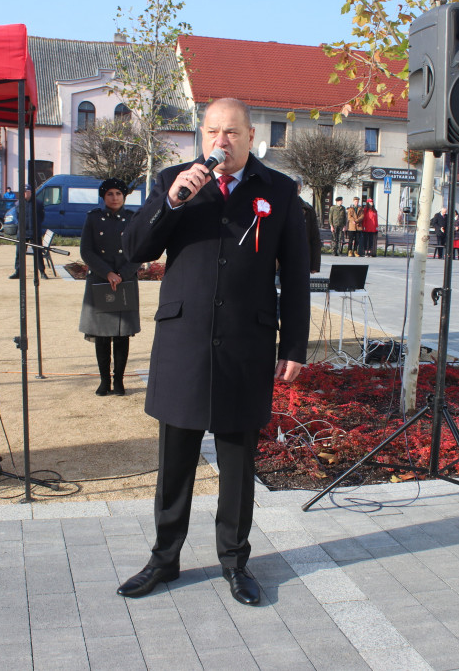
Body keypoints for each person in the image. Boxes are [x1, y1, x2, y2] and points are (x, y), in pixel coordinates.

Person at [118, 98, 310, 606]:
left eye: (231, 132)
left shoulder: (281, 191)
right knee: (175, 462)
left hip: (246, 344)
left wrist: (293, 344)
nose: (220, 142)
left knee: (238, 466)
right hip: (184, 342)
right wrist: (175, 201)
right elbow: (136, 249)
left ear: (251, 137)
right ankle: (164, 559)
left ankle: (235, 562)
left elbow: (294, 275)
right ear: (200, 137)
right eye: (211, 132)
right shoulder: (172, 181)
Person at [79, 178, 141, 396]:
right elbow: (86, 251)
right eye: (110, 194)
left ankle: (119, 381)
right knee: (102, 334)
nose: (114, 198)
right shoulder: (93, 218)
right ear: (103, 197)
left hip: (125, 281)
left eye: (118, 194)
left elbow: (139, 251)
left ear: (124, 197)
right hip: (100, 279)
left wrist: (122, 274)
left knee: (122, 334)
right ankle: (104, 381)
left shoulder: (133, 219)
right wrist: (107, 273)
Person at [9, 184, 47, 279]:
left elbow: (41, 217)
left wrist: (35, 225)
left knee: (38, 252)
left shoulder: (38, 203)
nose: (25, 194)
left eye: (27, 192)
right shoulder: (19, 203)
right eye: (23, 192)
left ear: (31, 192)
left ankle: (42, 272)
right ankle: (18, 271)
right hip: (22, 233)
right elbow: (17, 217)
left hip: (35, 232)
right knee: (19, 253)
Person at [296, 180, 322, 273]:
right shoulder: (279, 207)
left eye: (297, 189)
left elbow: (315, 238)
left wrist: (314, 265)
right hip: (281, 261)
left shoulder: (308, 209)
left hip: (302, 260)